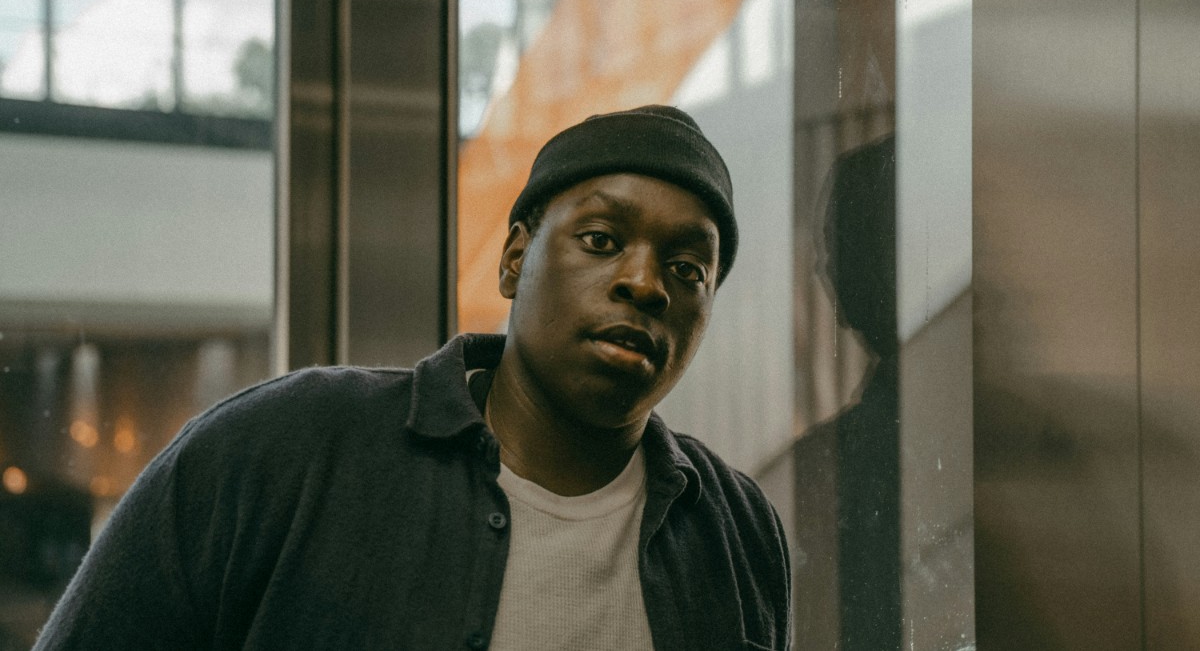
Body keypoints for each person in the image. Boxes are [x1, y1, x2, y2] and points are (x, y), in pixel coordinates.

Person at [34, 105, 792, 650]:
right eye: (601, 238)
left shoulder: (735, 527)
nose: (645, 282)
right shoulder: (285, 448)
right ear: (515, 258)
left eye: (687, 267)